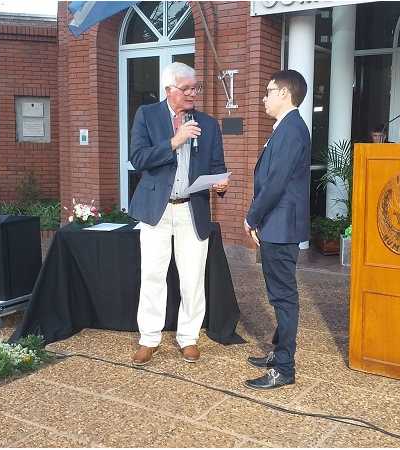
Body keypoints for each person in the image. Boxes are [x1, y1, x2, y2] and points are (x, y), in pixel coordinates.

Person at [128, 62, 228, 366]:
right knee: (153, 275)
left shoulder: (208, 124)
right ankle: (149, 338)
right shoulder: (147, 115)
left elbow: (216, 166)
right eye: (186, 89)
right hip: (157, 209)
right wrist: (175, 141)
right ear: (169, 90)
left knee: (192, 277)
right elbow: (137, 158)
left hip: (192, 208)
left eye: (195, 88)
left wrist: (220, 185)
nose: (192, 93)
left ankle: (188, 337)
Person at [243, 70, 311, 390]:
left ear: (285, 94)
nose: (264, 97)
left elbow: (275, 183)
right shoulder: (287, 128)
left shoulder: (292, 129)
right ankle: (277, 353)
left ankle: (284, 368)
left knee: (284, 298)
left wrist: (252, 217)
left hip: (280, 228)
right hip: (277, 225)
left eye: (269, 91)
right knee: (279, 295)